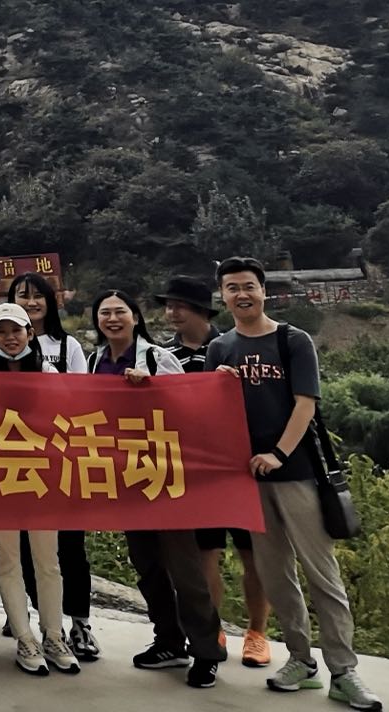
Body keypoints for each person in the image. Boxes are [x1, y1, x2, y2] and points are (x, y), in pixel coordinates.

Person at [209, 259, 380, 711]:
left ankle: (343, 670)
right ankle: (301, 660)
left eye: (249, 286)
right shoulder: (220, 348)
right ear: (223, 296)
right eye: (232, 288)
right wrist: (218, 387)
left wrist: (279, 454)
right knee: (275, 575)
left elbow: (305, 405)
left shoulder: (292, 340)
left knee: (322, 573)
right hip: (248, 478)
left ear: (263, 291)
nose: (241, 294)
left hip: (297, 473)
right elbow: (212, 412)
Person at [84, 288, 222, 687]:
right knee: (147, 565)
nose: (113, 319)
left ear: (135, 317)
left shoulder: (157, 358)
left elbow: (188, 407)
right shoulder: (94, 361)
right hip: (125, 475)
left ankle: (206, 650)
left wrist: (153, 388)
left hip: (164, 474)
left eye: (120, 312)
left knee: (185, 568)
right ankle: (169, 640)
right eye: (105, 313)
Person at [158, 273, 271, 668]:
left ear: (202, 310)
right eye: (169, 306)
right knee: (206, 553)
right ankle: (213, 629)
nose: (172, 313)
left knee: (252, 554)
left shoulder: (231, 346)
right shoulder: (162, 355)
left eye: (180, 306)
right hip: (194, 469)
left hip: (240, 466)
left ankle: (257, 633)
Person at [0, 302, 81, 676]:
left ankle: (53, 636)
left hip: (42, 478)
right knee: (8, 562)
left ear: (29, 333)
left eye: (16, 330)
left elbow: (68, 417)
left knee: (48, 562)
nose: (10, 338)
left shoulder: (49, 374)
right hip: (0, 479)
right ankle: (25, 639)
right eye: (2, 332)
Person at [7, 271, 97, 662]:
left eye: (37, 296)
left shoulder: (67, 345)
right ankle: (36, 621)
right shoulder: (0, 347)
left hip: (60, 458)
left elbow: (82, 398)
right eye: (21, 295)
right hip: (17, 460)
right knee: (28, 550)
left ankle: (78, 622)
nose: (30, 302)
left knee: (70, 547)